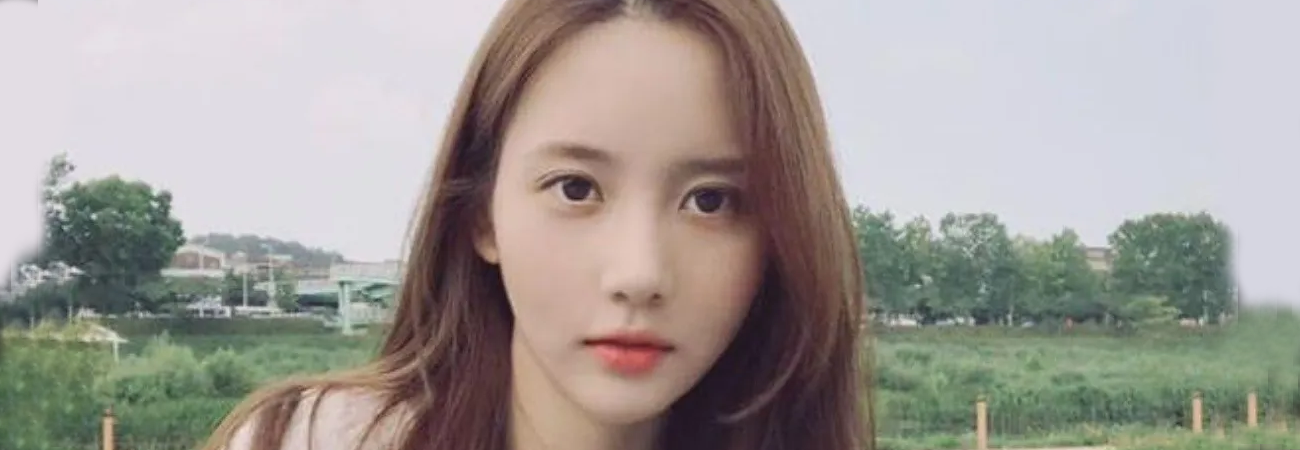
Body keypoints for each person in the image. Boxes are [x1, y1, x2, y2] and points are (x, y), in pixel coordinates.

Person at [200, 0, 873, 449]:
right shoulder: (315, 441)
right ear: (481, 213)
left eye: (711, 202)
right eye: (576, 188)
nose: (639, 273)